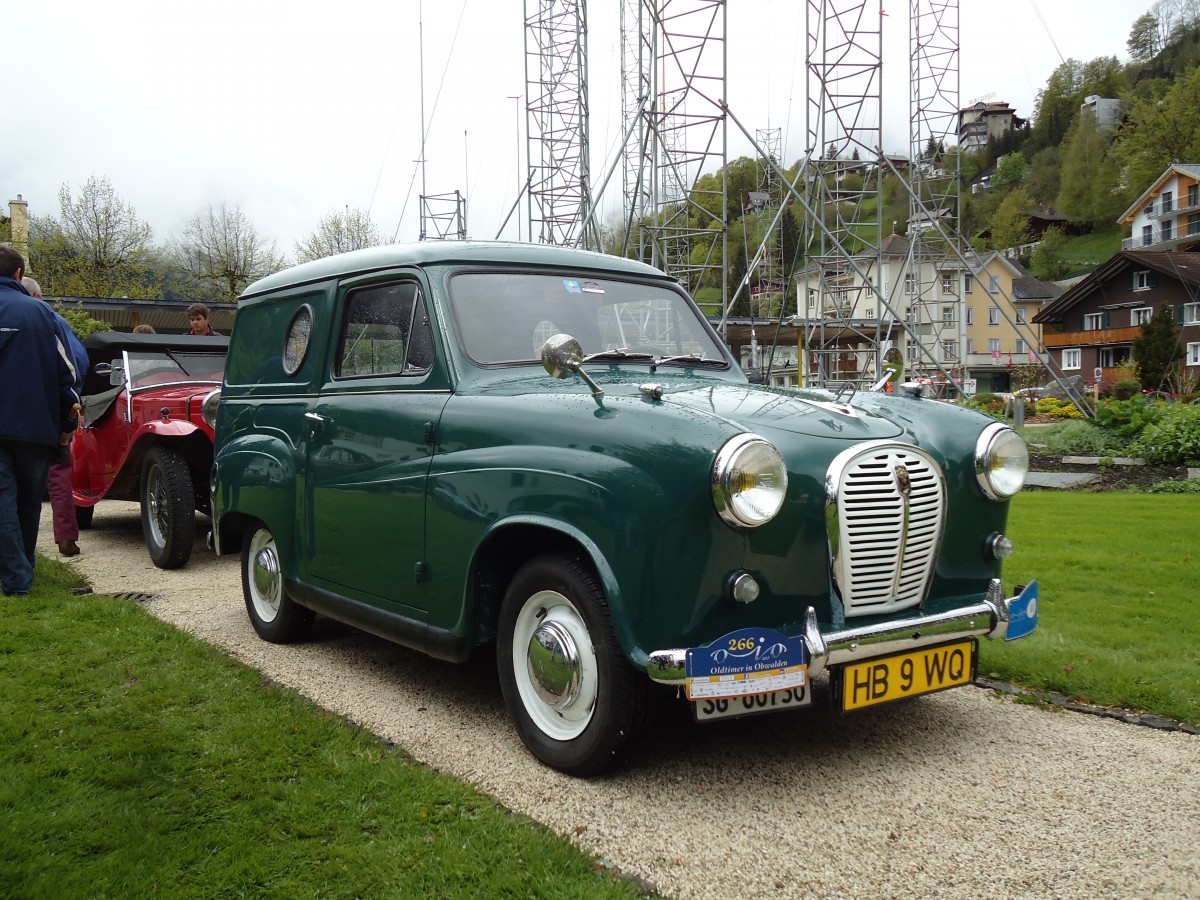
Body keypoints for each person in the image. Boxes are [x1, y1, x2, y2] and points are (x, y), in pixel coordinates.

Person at [0, 247, 81, 594]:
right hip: (35, 424)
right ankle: (23, 568)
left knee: (2, 501)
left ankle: (16, 578)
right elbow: (68, 372)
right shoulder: (42, 313)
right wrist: (67, 421)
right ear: (19, 274)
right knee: (29, 502)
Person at [21, 275, 87, 556]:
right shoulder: (53, 320)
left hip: (11, 413)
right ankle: (66, 537)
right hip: (48, 409)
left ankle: (17, 551)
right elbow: (78, 362)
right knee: (58, 473)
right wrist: (70, 405)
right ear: (38, 296)